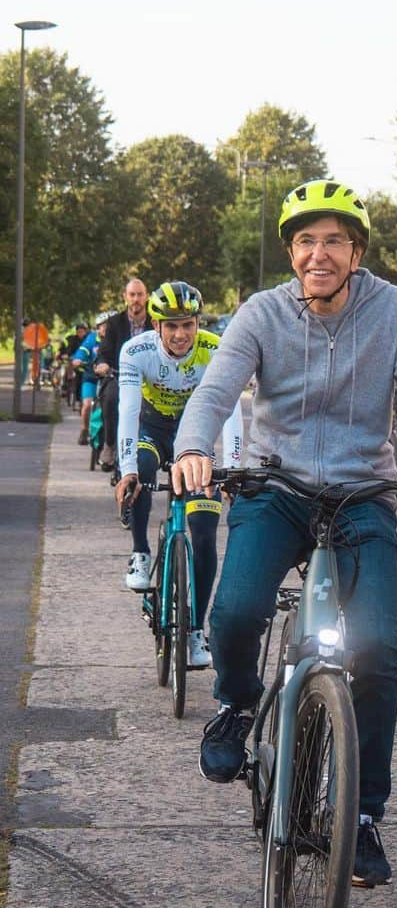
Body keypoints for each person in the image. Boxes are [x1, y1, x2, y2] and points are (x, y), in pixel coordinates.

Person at [172, 178, 397, 889]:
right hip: (274, 488)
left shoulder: (391, 306)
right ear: (291, 252)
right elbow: (216, 390)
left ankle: (362, 815)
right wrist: (193, 447)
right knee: (237, 610)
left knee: (376, 655)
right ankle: (237, 703)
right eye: (306, 240)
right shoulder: (261, 313)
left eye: (334, 240)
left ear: (356, 251)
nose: (318, 253)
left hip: (364, 493)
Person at [113, 281, 244, 669]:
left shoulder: (215, 349)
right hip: (153, 431)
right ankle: (140, 553)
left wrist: (232, 470)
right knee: (143, 469)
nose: (180, 334)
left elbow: (232, 412)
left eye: (187, 324)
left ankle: (195, 630)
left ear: (198, 323)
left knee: (204, 532)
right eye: (171, 326)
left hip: (195, 439)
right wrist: (128, 471)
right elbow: (127, 412)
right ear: (156, 326)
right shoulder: (135, 352)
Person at [96, 278, 151, 471]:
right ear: (125, 297)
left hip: (150, 379)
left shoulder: (156, 322)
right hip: (120, 376)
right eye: (132, 295)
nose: (136, 299)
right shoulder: (114, 322)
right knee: (110, 399)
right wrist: (102, 364)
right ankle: (110, 444)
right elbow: (105, 350)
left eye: (140, 294)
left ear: (147, 296)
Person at [71, 313, 111, 445]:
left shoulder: (114, 340)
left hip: (109, 379)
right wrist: (78, 359)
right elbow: (83, 350)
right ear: (97, 327)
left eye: (108, 325)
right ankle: (84, 429)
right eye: (102, 326)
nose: (105, 328)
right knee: (87, 404)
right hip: (91, 378)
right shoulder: (92, 338)